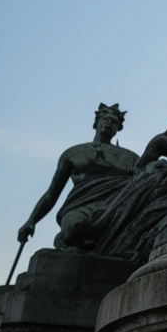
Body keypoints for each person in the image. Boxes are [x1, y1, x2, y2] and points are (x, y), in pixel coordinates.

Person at [17, 103, 138, 249]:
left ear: (118, 128)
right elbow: (51, 194)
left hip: (116, 209)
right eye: (105, 119)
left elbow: (143, 183)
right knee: (74, 226)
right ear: (96, 123)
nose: (108, 124)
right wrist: (32, 220)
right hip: (81, 207)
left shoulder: (130, 158)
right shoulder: (73, 153)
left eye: (114, 122)